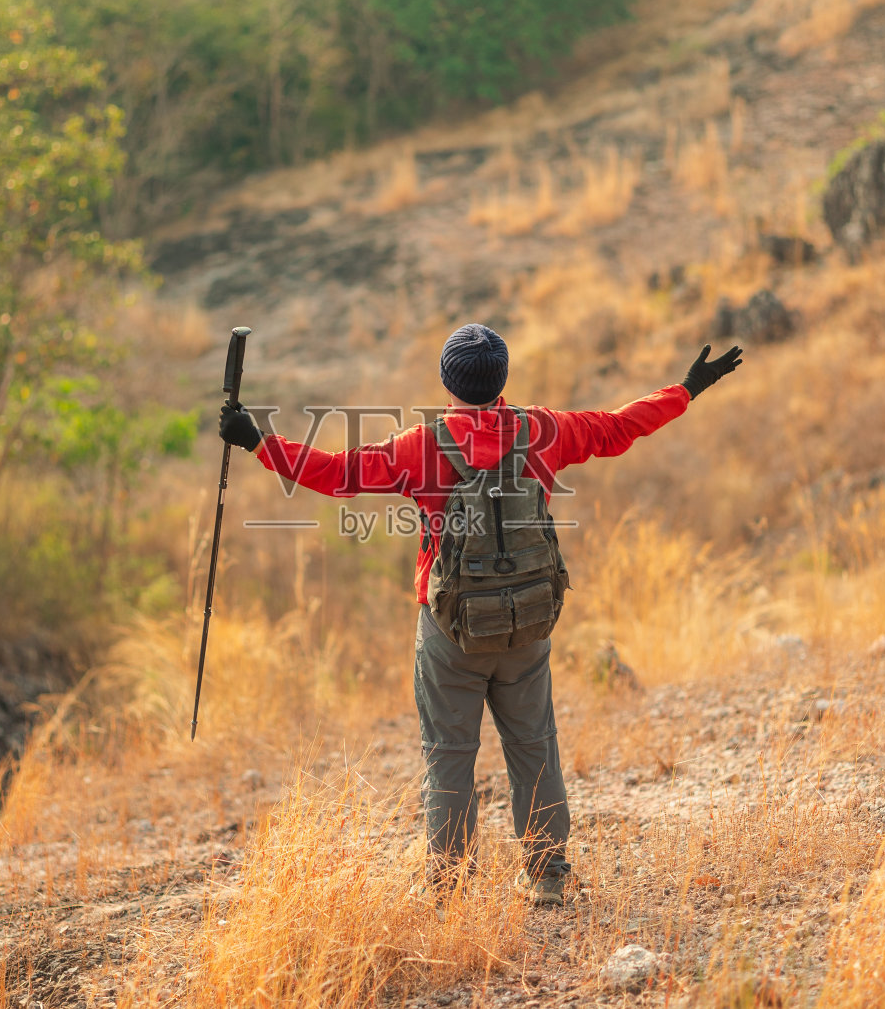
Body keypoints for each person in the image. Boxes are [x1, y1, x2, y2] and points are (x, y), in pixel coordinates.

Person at [218, 323, 743, 905]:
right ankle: (547, 876)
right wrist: (687, 388)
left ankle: (448, 891)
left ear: (447, 381)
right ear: (503, 379)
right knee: (533, 745)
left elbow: (334, 475)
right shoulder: (545, 431)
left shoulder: (418, 446)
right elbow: (620, 429)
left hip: (449, 631)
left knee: (449, 757)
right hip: (528, 622)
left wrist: (259, 441)